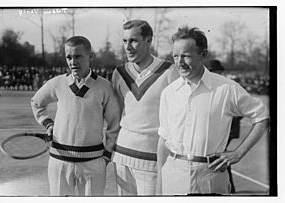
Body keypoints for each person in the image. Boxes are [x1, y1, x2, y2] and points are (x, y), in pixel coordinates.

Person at [156, 26, 269, 195]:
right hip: (173, 177)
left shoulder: (226, 88)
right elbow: (163, 140)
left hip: (210, 177)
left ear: (203, 54)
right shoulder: (169, 93)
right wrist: (159, 188)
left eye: (186, 56)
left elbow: (262, 116)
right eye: (175, 56)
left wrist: (237, 153)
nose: (179, 62)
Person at [31, 36, 121, 196]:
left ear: (90, 57)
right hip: (59, 161)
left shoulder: (105, 87)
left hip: (93, 163)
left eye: (78, 56)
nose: (73, 61)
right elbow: (36, 102)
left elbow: (114, 124)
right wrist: (48, 124)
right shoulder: (57, 83)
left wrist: (107, 154)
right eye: (69, 57)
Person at [111, 19, 179, 195]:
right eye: (125, 41)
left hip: (152, 160)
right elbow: (116, 114)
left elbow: (177, 120)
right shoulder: (119, 73)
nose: (128, 47)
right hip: (122, 156)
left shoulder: (169, 71)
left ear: (148, 40)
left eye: (134, 40)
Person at [207, 59, 242, 193]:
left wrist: (229, 116)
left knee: (219, 154)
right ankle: (229, 185)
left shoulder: (229, 86)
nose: (218, 73)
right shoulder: (214, 85)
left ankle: (226, 185)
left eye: (218, 71)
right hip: (218, 128)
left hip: (228, 129)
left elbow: (243, 108)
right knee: (219, 154)